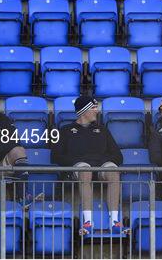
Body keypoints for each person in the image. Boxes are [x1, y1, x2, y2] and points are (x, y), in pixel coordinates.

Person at [51, 96, 126, 235]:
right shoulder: (65, 130)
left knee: (114, 172)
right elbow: (56, 156)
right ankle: (88, 222)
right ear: (83, 111)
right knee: (85, 170)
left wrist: (100, 161)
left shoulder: (102, 130)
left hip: (100, 167)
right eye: (93, 108)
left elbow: (118, 156)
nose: (97, 111)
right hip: (79, 169)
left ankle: (115, 222)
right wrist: (79, 161)